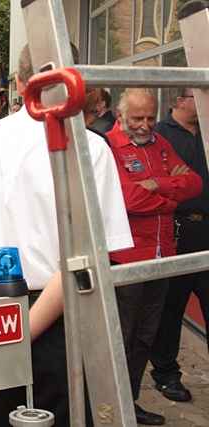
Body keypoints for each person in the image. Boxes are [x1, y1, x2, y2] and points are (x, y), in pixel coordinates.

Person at [0, 45, 134, 426]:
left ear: (19, 82)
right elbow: (90, 256)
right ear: (77, 80)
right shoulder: (91, 149)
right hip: (55, 319)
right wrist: (15, 328)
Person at [106, 88, 202, 425]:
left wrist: (155, 184)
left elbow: (194, 183)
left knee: (146, 335)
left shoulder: (161, 143)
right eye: (138, 118)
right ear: (121, 116)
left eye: (150, 117)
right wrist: (172, 200)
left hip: (162, 255)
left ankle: (129, 402)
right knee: (123, 336)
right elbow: (128, 199)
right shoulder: (109, 146)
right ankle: (109, 403)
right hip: (128, 259)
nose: (146, 125)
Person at [149, 87, 209, 403]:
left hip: (207, 232)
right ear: (179, 101)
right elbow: (157, 183)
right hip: (177, 231)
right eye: (197, 95)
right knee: (170, 309)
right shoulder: (161, 134)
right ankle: (166, 374)